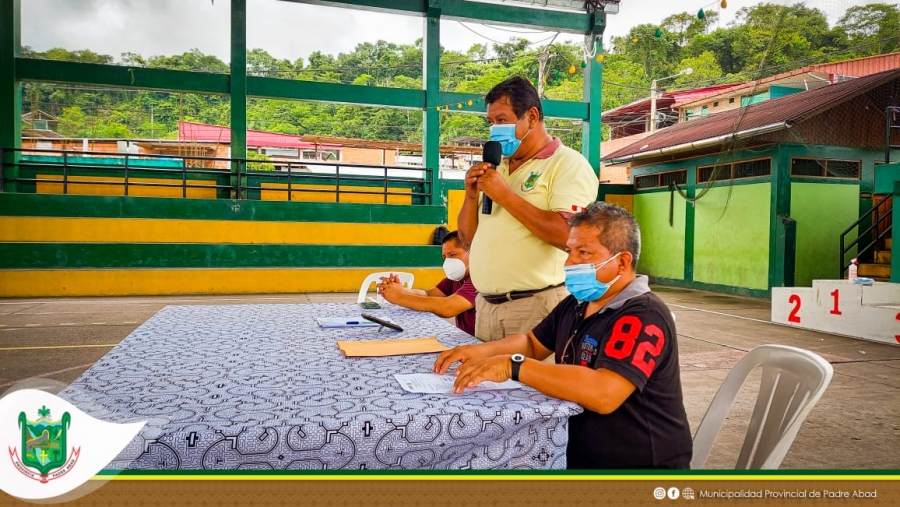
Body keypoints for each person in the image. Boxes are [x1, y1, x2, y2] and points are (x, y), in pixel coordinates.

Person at [434, 202, 692, 469]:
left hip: (636, 466)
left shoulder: (643, 315)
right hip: (573, 449)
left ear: (622, 261)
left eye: (584, 252)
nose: (570, 262)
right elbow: (533, 342)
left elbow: (604, 393)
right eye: (569, 251)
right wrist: (478, 352)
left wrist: (514, 367)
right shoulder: (578, 303)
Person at [459, 76, 599, 342]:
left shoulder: (567, 164)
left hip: (535, 308)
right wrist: (470, 196)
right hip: (486, 308)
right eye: (490, 122)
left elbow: (567, 237)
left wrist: (505, 195)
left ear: (532, 117)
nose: (494, 130)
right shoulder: (496, 167)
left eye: (502, 120)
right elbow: (467, 239)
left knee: (531, 383)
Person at [377, 231, 477, 336]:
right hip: (466, 339)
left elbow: (447, 307)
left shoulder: (479, 280)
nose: (448, 261)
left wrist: (399, 297)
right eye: (445, 257)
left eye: (452, 255)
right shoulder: (457, 278)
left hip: (482, 344)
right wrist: (401, 290)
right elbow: (428, 294)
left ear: (473, 252)